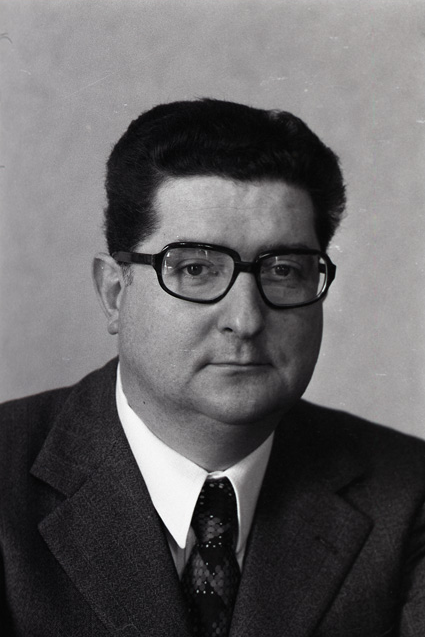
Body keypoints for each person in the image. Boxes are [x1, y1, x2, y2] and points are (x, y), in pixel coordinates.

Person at [1, 98, 424, 637]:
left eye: (284, 271)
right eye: (196, 268)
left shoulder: (409, 492)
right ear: (114, 293)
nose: (245, 320)